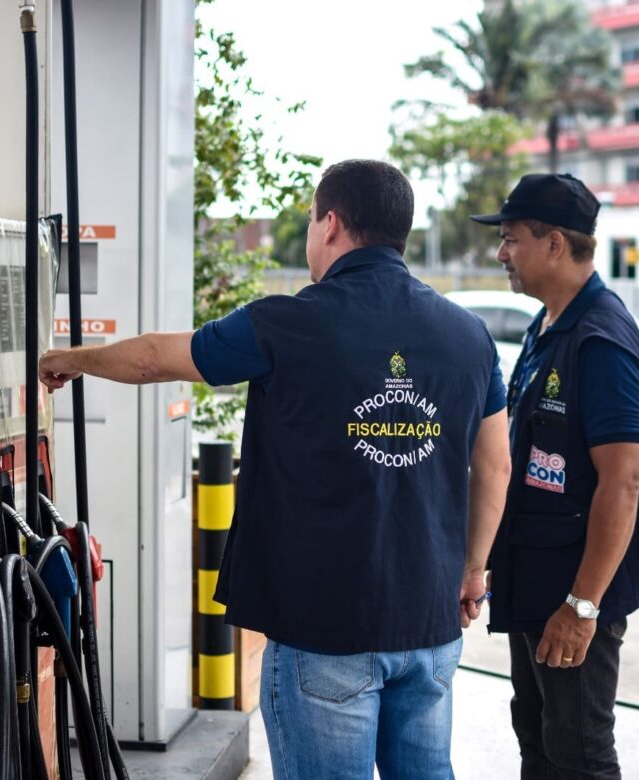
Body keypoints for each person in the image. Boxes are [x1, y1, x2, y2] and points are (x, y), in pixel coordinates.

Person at [40, 159, 512, 779]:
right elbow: (496, 465)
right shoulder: (468, 335)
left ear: (332, 224)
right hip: (428, 628)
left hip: (323, 629)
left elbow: (159, 358)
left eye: (313, 219)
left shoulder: (287, 323)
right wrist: (472, 573)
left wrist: (68, 359)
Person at [470, 173, 639, 779]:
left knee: (578, 752)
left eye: (510, 238)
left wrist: (583, 606)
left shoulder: (601, 341)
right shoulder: (550, 326)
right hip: (537, 581)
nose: (501, 253)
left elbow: (625, 481)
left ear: (554, 243)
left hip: (573, 595)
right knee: (540, 738)